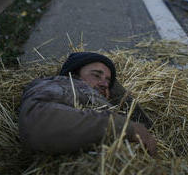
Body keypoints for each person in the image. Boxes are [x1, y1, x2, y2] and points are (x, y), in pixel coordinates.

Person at [18, 52, 157, 155]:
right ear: (73, 75)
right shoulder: (62, 85)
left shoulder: (93, 98)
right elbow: (38, 123)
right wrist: (124, 128)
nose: (104, 84)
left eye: (109, 82)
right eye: (96, 75)